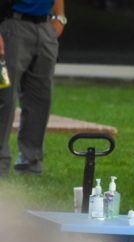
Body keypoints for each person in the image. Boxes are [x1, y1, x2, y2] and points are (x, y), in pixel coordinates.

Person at [0, 0, 67, 176]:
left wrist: (59, 17)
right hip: (11, 27)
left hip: (45, 29)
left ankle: (31, 163)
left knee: (40, 99)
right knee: (4, 98)